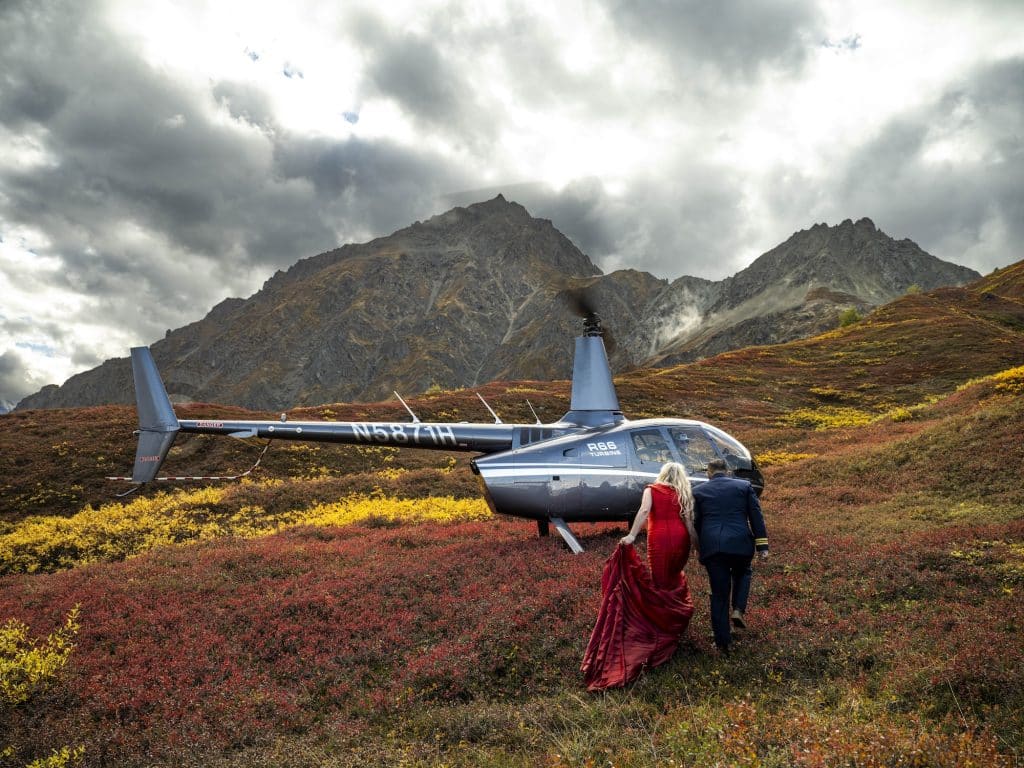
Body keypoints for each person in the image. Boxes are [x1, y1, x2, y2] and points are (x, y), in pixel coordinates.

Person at [581, 462, 696, 691]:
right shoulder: (682, 492)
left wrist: (632, 535)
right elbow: (688, 521)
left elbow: (644, 511)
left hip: (660, 539)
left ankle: (663, 630)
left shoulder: (652, 489)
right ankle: (672, 622)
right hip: (681, 539)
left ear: (662, 474)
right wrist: (695, 544)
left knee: (660, 583)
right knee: (673, 580)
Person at [693, 458, 769, 655]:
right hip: (740, 543)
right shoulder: (743, 486)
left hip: (713, 548)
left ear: (709, 473)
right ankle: (738, 609)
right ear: (727, 471)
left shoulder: (699, 491)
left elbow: (697, 523)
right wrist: (762, 546)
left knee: (718, 594)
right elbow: (756, 517)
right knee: (743, 572)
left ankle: (723, 642)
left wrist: (700, 548)